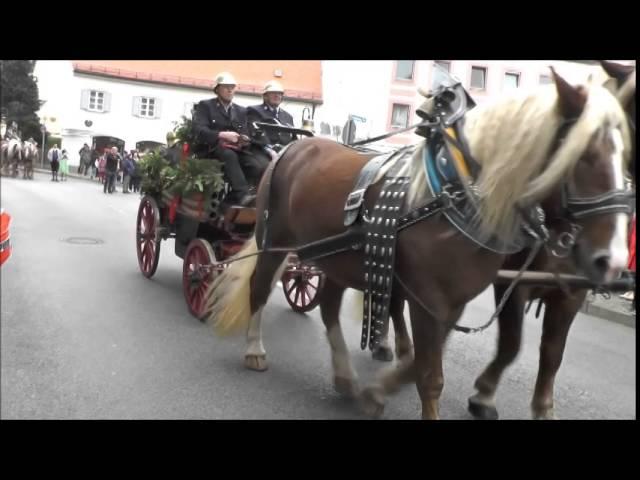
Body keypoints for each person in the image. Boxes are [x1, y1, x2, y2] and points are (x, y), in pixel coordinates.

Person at [192, 72, 269, 206]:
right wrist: (221, 135)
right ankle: (243, 195)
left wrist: (244, 139)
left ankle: (233, 200)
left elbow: (246, 131)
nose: (230, 90)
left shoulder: (241, 111)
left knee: (257, 165)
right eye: (226, 86)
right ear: (217, 89)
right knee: (229, 155)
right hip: (212, 148)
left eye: (232, 87)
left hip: (236, 148)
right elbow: (199, 130)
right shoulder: (205, 106)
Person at [246, 80, 296, 148]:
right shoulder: (254, 110)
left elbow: (294, 139)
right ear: (265, 96)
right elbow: (256, 133)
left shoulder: (288, 117)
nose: (277, 95)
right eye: (273, 93)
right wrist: (270, 150)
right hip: (262, 150)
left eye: (279, 93)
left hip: (284, 153)